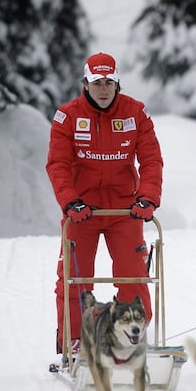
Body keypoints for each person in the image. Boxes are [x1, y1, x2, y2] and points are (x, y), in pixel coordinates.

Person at [46, 52, 163, 354]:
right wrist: (70, 202)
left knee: (132, 277)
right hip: (82, 212)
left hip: (124, 210)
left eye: (109, 82)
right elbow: (57, 164)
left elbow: (151, 160)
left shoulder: (136, 113)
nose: (103, 88)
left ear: (117, 83)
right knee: (74, 278)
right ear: (85, 83)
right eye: (97, 82)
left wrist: (147, 197)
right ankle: (74, 339)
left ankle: (132, 337)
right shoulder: (67, 117)